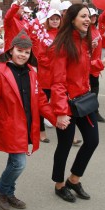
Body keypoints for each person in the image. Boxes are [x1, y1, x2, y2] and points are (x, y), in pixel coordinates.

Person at [0, 30, 56, 210]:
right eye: (19, 50)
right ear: (11, 50)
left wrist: (55, 119)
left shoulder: (32, 73)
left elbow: (41, 100)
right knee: (19, 163)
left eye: (27, 52)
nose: (23, 55)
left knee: (14, 161)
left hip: (27, 125)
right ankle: (1, 189)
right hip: (10, 125)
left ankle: (9, 192)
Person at [50, 4, 105, 203]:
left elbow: (82, 69)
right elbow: (58, 81)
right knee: (65, 145)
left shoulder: (84, 42)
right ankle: (59, 185)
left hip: (84, 101)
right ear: (73, 19)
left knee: (92, 141)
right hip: (67, 105)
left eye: (89, 16)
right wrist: (60, 111)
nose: (88, 19)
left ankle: (74, 179)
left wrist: (101, 62)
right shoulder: (62, 45)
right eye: (83, 16)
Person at [36, 8, 61, 143]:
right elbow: (40, 57)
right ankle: (41, 131)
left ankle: (68, 132)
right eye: (52, 19)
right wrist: (54, 64)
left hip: (60, 78)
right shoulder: (44, 36)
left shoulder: (64, 35)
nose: (55, 21)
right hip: (46, 77)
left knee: (62, 105)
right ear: (48, 20)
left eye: (57, 19)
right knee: (43, 105)